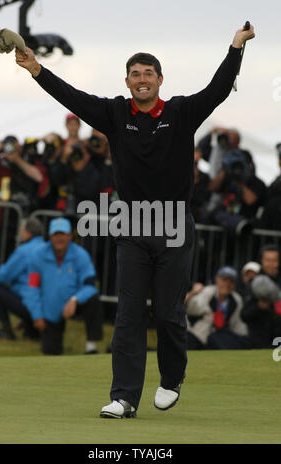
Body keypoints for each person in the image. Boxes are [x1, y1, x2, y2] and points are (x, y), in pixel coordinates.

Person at [15, 23, 255, 418]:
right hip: (131, 226)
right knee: (128, 313)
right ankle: (124, 397)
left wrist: (236, 46)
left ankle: (172, 377)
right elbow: (72, 97)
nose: (141, 80)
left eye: (148, 73)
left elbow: (217, 89)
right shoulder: (113, 112)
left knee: (167, 311)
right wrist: (35, 68)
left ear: (160, 80)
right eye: (135, 74)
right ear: (127, 82)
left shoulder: (180, 112)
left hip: (175, 226)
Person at [26, 217, 103, 355]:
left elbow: (90, 285)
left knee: (93, 299)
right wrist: (37, 315)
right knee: (51, 352)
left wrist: (75, 299)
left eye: (63, 234)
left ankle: (91, 347)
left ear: (70, 236)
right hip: (50, 309)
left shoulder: (81, 255)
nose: (59, 238)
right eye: (56, 234)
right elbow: (32, 287)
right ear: (50, 236)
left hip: (75, 303)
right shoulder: (37, 256)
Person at [0, 217, 44, 340]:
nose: (19, 233)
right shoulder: (46, 247)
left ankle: (6, 329)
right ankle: (31, 330)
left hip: (32, 303)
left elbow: (4, 275)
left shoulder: (24, 251)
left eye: (21, 230)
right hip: (46, 305)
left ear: (28, 232)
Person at [186, 266, 249, 350]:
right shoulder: (207, 292)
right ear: (217, 279)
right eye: (224, 280)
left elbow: (237, 324)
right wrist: (193, 293)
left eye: (231, 281)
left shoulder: (236, 299)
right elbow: (192, 309)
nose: (227, 284)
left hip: (221, 337)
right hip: (200, 337)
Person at [241, 244, 281, 348]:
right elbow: (244, 315)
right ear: (262, 261)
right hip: (259, 341)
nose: (271, 264)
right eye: (268, 260)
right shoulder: (254, 283)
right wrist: (259, 306)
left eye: (274, 260)